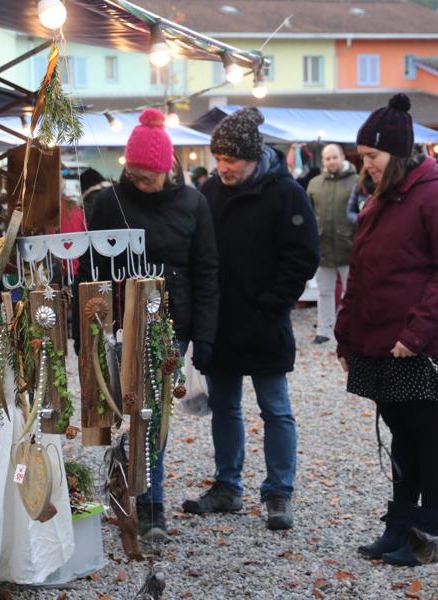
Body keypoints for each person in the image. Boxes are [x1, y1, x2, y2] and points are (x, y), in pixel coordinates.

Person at [336, 94, 438, 567]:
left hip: (420, 344)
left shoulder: (437, 192)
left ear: (396, 153)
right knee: (400, 430)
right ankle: (401, 523)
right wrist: (346, 334)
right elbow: (364, 270)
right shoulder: (381, 199)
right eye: (363, 157)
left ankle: (431, 532)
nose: (365, 165)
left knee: (426, 431)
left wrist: (415, 334)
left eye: (371, 157)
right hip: (379, 340)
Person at [79, 108, 219, 541]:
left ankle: (150, 502)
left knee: (151, 415)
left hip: (169, 325)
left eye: (149, 176)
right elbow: (91, 268)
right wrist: (83, 328)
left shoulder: (193, 203)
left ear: (167, 169)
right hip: (119, 321)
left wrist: (205, 337)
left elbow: (207, 270)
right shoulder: (107, 202)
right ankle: (124, 488)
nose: (142, 183)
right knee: (117, 410)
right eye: (135, 175)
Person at [182, 107, 319, 531]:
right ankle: (228, 486)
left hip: (264, 321)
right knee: (224, 406)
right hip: (219, 321)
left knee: (275, 408)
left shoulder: (286, 193)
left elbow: (303, 256)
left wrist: (272, 304)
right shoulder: (210, 191)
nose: (223, 168)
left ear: (253, 158)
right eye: (219, 160)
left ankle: (279, 491)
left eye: (232, 162)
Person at [307, 144, 358, 344]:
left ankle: (351, 329)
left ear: (342, 157)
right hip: (323, 247)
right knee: (324, 291)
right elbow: (308, 214)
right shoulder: (314, 184)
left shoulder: (357, 181)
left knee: (352, 292)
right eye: (327, 158)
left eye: (334, 157)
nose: (331, 161)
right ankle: (324, 329)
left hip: (349, 246)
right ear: (323, 161)